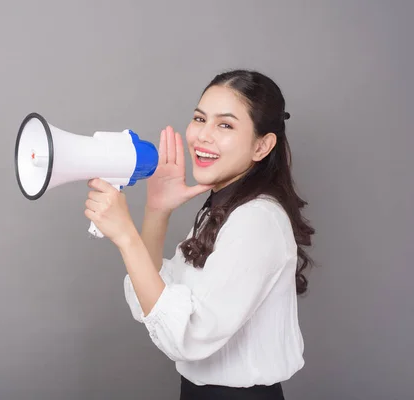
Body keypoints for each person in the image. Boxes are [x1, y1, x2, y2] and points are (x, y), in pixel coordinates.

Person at [84, 69, 315, 400]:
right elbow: (149, 302)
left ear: (262, 145)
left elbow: (188, 335)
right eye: (199, 118)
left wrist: (126, 237)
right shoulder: (222, 211)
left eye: (225, 125)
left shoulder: (256, 219)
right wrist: (157, 212)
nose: (202, 136)